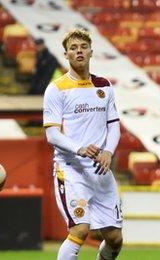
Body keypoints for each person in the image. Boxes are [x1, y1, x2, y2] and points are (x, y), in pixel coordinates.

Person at [43, 28, 122, 260]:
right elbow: (52, 135)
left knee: (115, 238)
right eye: (73, 48)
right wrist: (80, 148)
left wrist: (108, 151)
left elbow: (114, 125)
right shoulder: (56, 89)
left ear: (91, 52)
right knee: (80, 229)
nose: (79, 51)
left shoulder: (104, 86)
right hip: (71, 170)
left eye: (83, 47)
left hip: (100, 170)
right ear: (66, 55)